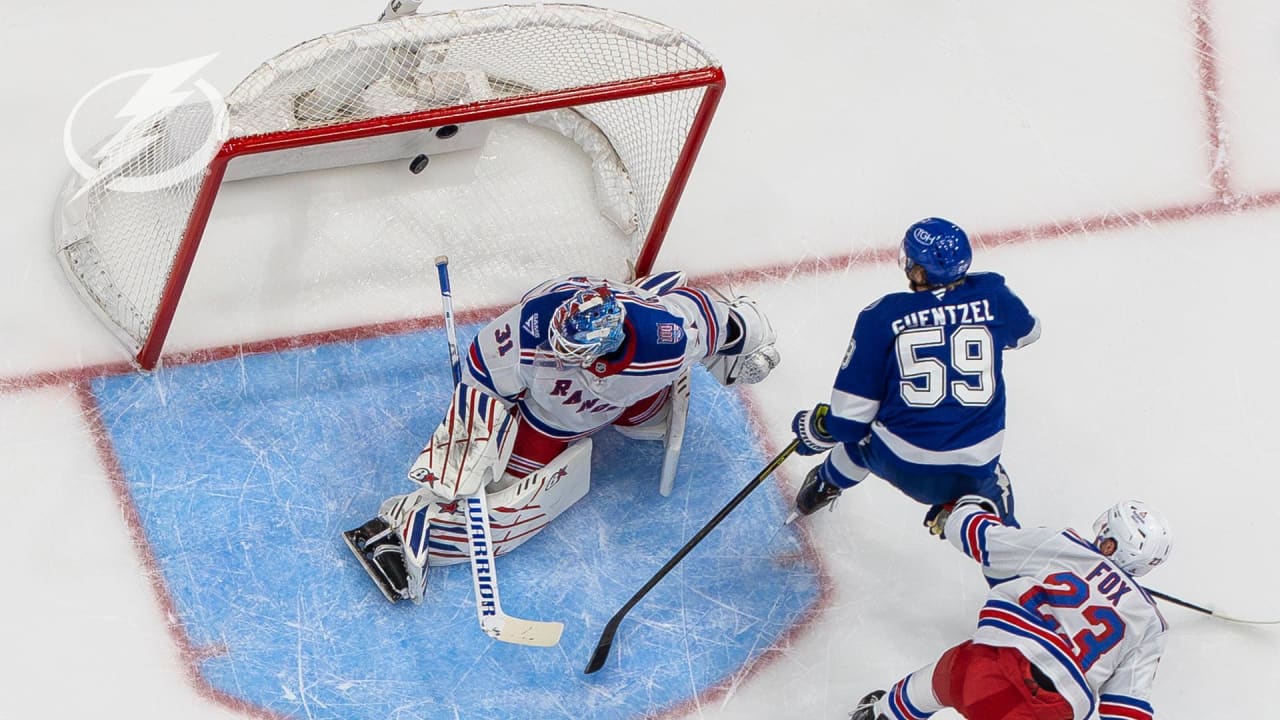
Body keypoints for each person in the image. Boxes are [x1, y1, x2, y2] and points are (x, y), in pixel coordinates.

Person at [344, 271, 781, 601]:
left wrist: (751, 344)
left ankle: (646, 400)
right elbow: (479, 384)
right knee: (500, 491)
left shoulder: (665, 336)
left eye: (570, 354)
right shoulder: (531, 328)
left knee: (641, 419)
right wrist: (461, 464)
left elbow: (720, 319)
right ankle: (405, 532)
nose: (555, 355)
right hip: (547, 416)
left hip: (624, 398)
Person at [790, 217, 1040, 529]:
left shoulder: (881, 315)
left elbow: (848, 424)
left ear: (919, 270)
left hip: (902, 464)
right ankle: (1002, 535)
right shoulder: (995, 296)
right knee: (994, 478)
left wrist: (818, 427)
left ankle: (824, 485)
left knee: (862, 440)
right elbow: (1030, 333)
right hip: (974, 470)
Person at [849, 495, 1172, 720]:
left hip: (989, 666)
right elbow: (1125, 709)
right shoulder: (1150, 624)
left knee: (932, 684)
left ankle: (880, 714)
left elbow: (983, 540)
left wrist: (961, 511)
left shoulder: (1065, 545)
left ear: (1111, 543)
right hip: (1051, 711)